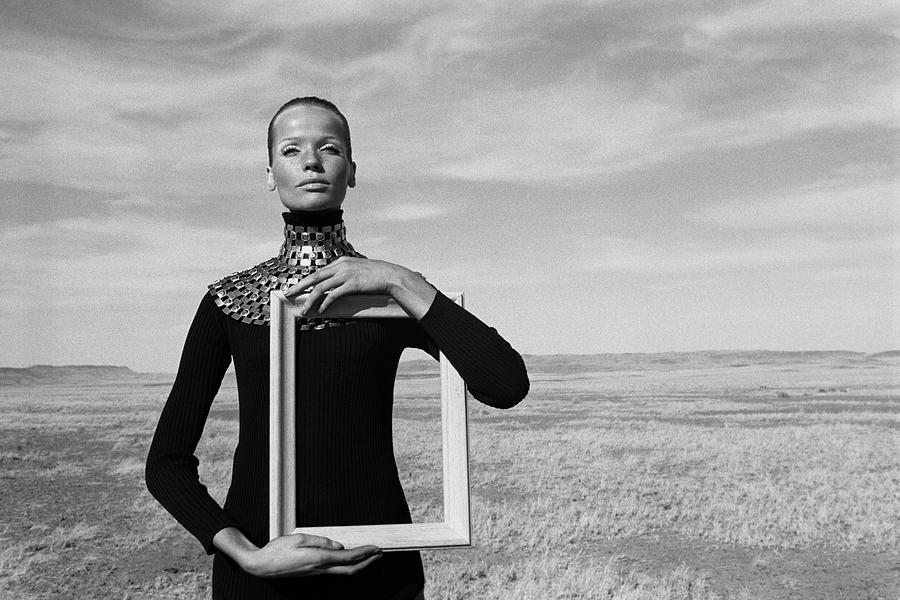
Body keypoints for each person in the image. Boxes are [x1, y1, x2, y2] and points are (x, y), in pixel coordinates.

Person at [145, 96, 530, 599]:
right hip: (264, 578)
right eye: (291, 150)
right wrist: (247, 555)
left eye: (329, 147)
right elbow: (166, 462)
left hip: (379, 570)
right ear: (269, 174)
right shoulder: (229, 300)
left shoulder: (387, 296)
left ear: (351, 170)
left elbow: (505, 384)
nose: (311, 161)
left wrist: (402, 280)